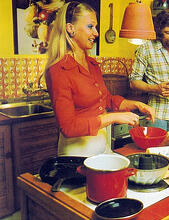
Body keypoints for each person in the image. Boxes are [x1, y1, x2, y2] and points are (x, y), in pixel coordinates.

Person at [44, 1, 155, 157]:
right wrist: (112, 117)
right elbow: (68, 127)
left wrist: (137, 104)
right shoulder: (58, 70)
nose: (96, 33)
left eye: (95, 27)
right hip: (77, 154)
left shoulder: (92, 64)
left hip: (102, 147)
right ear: (71, 28)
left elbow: (107, 100)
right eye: (90, 27)